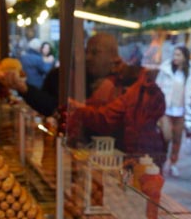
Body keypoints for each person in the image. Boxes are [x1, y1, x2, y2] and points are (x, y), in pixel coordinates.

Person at [67, 32, 168, 170]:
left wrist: (79, 110)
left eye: (95, 53)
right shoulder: (104, 80)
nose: (88, 58)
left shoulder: (123, 84)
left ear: (113, 56)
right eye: (87, 52)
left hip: (130, 169)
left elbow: (106, 118)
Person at [156, 44, 191, 177]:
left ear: (185, 57)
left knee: (177, 140)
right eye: (174, 54)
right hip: (167, 111)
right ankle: (161, 163)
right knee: (165, 138)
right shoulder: (166, 70)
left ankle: (173, 164)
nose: (175, 57)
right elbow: (158, 87)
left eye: (178, 55)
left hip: (181, 112)